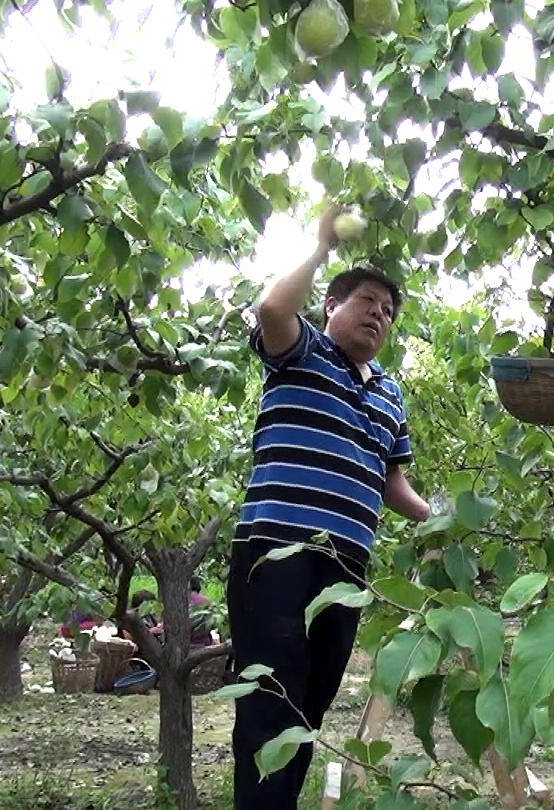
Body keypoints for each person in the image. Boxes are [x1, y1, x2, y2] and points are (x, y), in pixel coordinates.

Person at [227, 206, 430, 807]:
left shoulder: (390, 393)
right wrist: (319, 249)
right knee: (270, 705)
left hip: (345, 570)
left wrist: (436, 517)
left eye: (388, 311)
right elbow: (270, 310)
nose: (379, 314)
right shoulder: (302, 350)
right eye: (367, 301)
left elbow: (392, 481)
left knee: (308, 708)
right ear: (331, 307)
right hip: (276, 552)